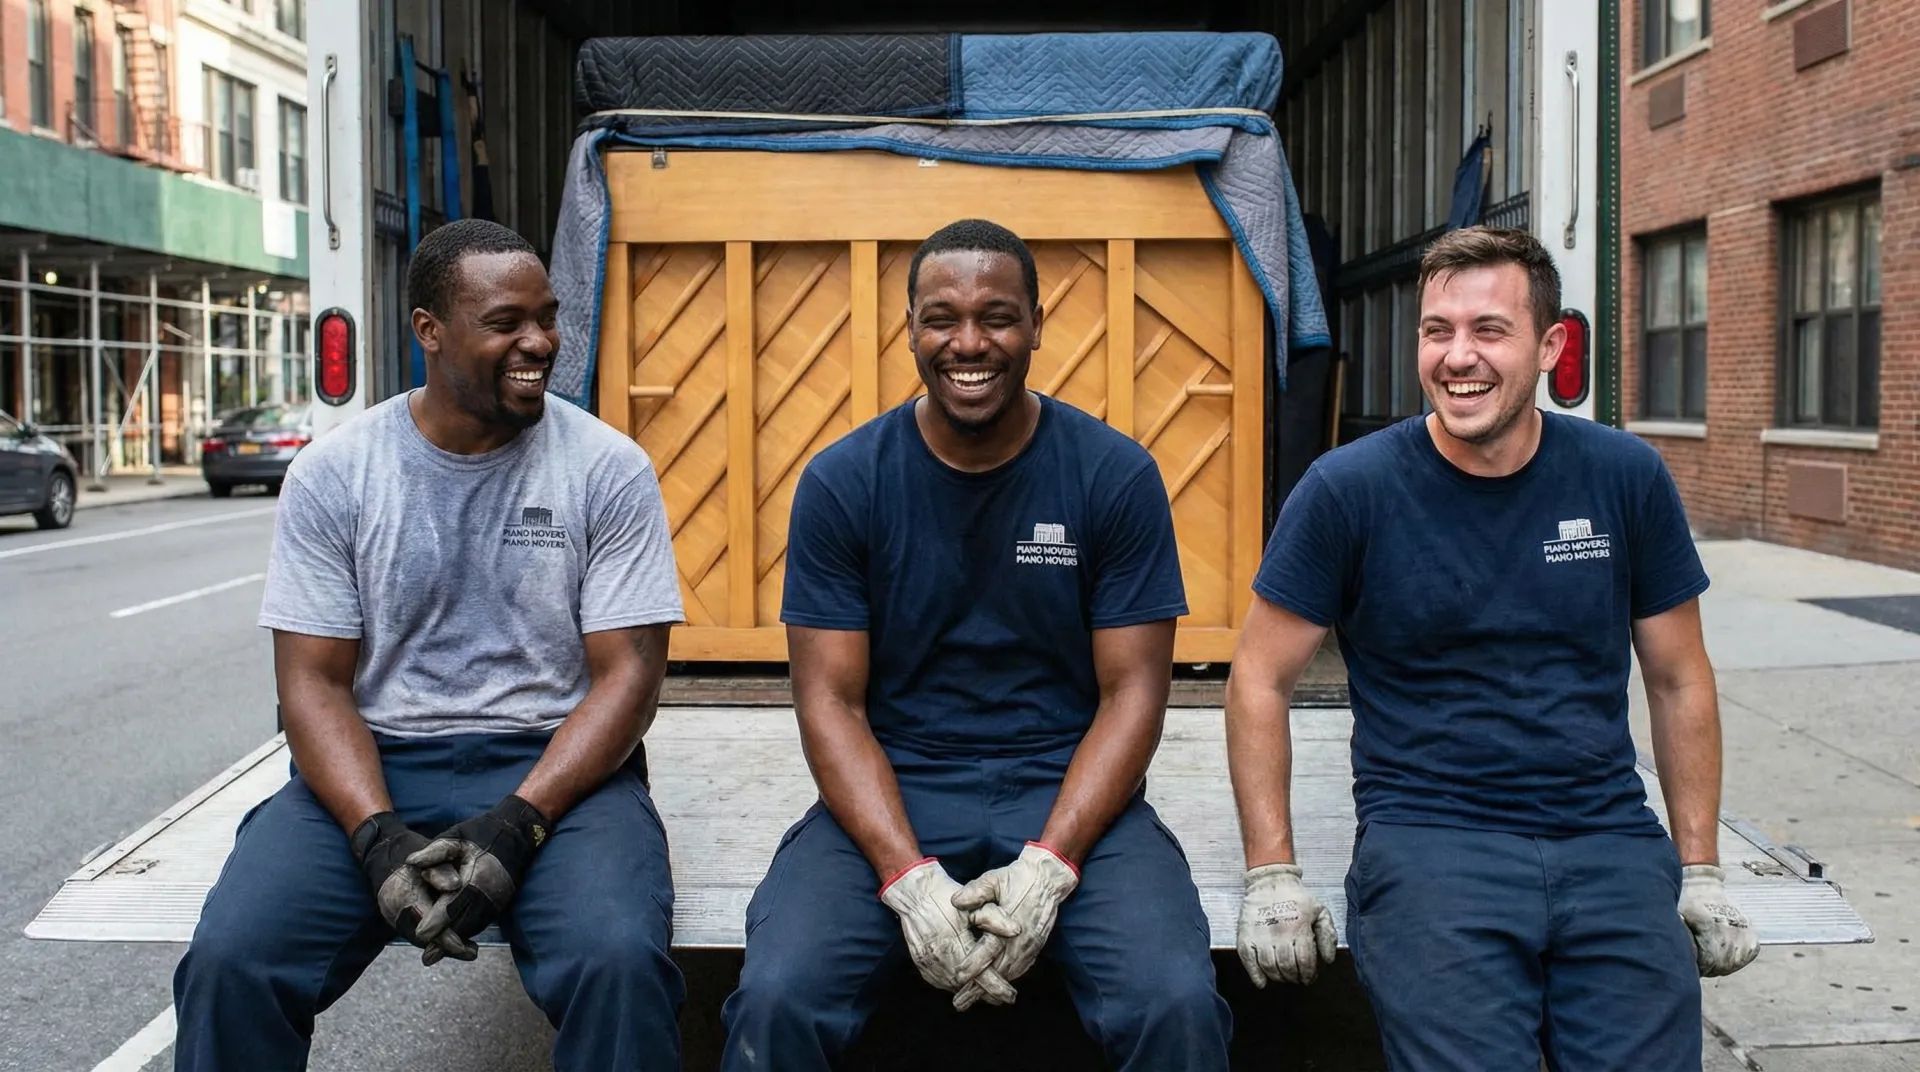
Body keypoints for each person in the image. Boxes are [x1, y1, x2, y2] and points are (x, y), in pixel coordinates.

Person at [1223, 225, 1759, 1071]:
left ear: (1549, 346)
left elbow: (1679, 677)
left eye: (1488, 330)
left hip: (1606, 835)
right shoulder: (1348, 490)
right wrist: (1272, 874)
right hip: (1433, 840)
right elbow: (1259, 677)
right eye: (1437, 331)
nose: (1456, 357)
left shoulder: (1624, 476)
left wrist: (1701, 869)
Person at [171, 218, 688, 1071]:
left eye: (548, 317)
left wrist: (521, 825)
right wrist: (375, 837)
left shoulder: (607, 468)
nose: (540, 342)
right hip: (379, 764)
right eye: (506, 322)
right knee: (234, 962)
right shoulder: (337, 474)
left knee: (619, 964)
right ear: (429, 330)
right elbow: (313, 687)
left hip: (557, 771)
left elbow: (629, 678)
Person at [717, 218, 1233, 1070]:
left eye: (996, 316)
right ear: (908, 329)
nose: (969, 342)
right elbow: (830, 702)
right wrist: (905, 881)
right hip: (897, 779)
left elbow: (1135, 693)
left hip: (1066, 783)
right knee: (777, 1002)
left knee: (1173, 1004)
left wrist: (1054, 864)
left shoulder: (1113, 474)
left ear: (1037, 323)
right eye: (941, 317)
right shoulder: (846, 481)